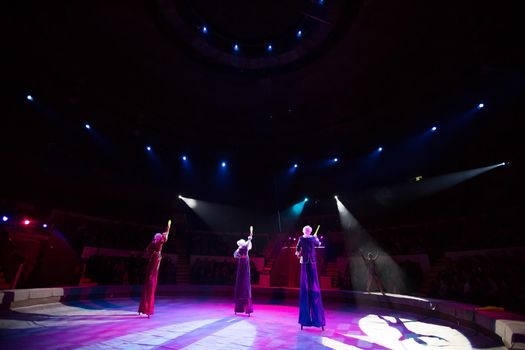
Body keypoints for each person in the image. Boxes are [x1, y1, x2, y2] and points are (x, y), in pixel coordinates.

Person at [138, 220, 171, 318]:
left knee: (150, 281)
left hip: (155, 260)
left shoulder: (156, 242)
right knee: (150, 281)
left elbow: (147, 250)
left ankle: (145, 308)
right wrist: (168, 227)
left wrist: (168, 227)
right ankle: (146, 308)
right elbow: (148, 249)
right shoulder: (156, 243)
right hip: (154, 261)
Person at [295, 225, 326, 330]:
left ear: (310, 231)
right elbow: (297, 247)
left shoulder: (313, 238)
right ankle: (305, 320)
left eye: (309, 230)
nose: (308, 231)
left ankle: (317, 320)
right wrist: (298, 254)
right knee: (305, 282)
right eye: (306, 230)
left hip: (312, 261)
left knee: (313, 283)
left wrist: (317, 239)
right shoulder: (301, 238)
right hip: (304, 261)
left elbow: (318, 244)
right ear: (304, 231)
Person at [233, 226, 253, 316]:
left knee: (245, 286)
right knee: (240, 285)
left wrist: (250, 238)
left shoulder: (246, 248)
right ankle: (239, 308)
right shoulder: (240, 249)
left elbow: (247, 245)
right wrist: (249, 239)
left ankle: (247, 308)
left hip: (245, 269)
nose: (240, 244)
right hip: (241, 268)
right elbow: (235, 255)